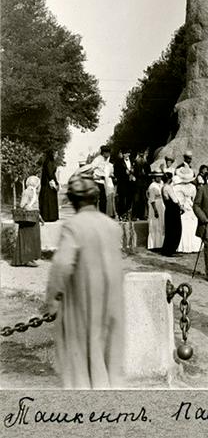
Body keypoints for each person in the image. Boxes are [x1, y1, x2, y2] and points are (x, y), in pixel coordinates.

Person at [44, 170, 123, 388]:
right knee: (107, 354)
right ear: (96, 198)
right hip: (111, 300)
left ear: (72, 200)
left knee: (81, 358)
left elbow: (62, 265)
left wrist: (52, 301)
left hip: (82, 300)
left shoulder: (73, 226)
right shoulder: (111, 225)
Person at [12, 176, 43, 267]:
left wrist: (39, 217)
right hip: (28, 219)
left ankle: (30, 258)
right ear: (35, 183)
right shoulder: (27, 192)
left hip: (33, 218)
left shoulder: (33, 192)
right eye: (38, 183)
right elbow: (22, 205)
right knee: (27, 239)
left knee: (33, 239)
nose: (39, 185)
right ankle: (26, 259)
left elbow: (35, 206)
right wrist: (31, 210)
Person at [174, 166, 202, 253]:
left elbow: (176, 199)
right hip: (190, 206)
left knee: (184, 226)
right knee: (191, 226)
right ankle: (192, 246)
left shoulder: (176, 187)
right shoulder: (192, 187)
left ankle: (183, 247)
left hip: (182, 206)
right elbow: (194, 198)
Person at [162, 172, 183, 257]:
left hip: (168, 209)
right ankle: (170, 249)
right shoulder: (168, 187)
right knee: (175, 230)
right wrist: (180, 207)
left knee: (169, 230)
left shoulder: (163, 187)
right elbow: (175, 200)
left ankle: (167, 249)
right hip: (173, 210)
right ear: (170, 179)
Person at [89, 145, 114, 215]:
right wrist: (94, 177)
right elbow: (90, 169)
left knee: (103, 200)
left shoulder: (106, 160)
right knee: (98, 200)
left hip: (102, 182)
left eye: (109, 153)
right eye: (108, 153)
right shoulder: (98, 159)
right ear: (104, 153)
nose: (109, 154)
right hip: (96, 182)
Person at [146, 172, 165, 252]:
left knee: (161, 223)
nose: (159, 178)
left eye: (160, 177)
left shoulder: (162, 183)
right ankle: (154, 244)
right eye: (157, 177)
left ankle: (161, 243)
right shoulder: (152, 186)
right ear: (154, 177)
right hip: (155, 205)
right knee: (155, 223)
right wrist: (155, 210)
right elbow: (152, 199)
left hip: (162, 204)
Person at [114, 149, 135, 219]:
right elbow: (116, 173)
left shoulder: (133, 161)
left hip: (131, 182)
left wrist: (134, 175)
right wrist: (124, 173)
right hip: (122, 183)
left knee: (130, 198)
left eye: (128, 153)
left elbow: (136, 170)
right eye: (125, 153)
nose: (127, 155)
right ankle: (121, 214)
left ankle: (128, 213)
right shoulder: (118, 162)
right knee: (122, 198)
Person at [39, 149, 59, 222]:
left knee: (48, 199)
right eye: (55, 154)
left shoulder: (48, 162)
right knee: (49, 199)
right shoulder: (49, 162)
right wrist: (55, 183)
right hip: (48, 184)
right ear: (52, 154)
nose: (56, 156)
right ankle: (49, 217)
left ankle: (48, 216)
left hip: (47, 183)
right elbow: (50, 174)